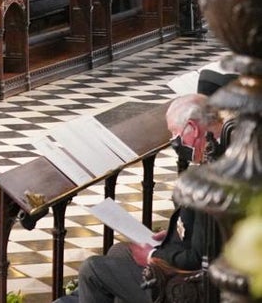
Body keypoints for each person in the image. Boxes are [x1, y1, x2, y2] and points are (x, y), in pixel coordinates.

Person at [56, 94, 223, 302]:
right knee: (118, 252)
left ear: (193, 128)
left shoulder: (214, 175)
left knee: (92, 269)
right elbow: (202, 230)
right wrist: (174, 234)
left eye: (174, 133)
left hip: (190, 287)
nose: (174, 142)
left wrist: (153, 256)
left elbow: (197, 258)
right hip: (190, 260)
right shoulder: (223, 153)